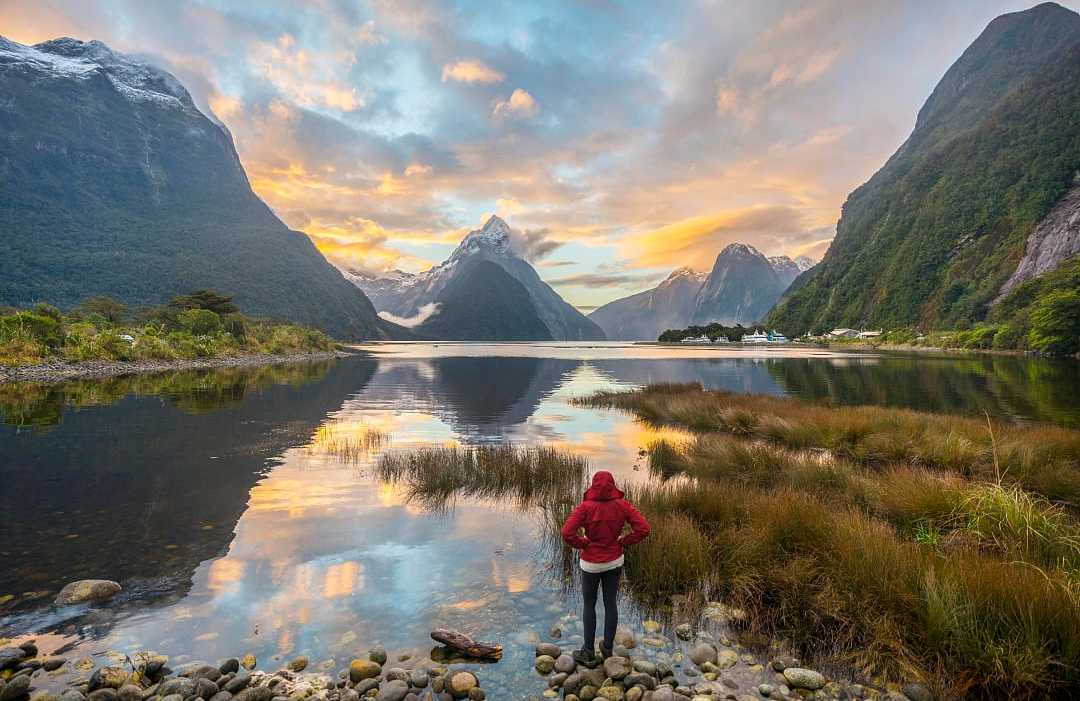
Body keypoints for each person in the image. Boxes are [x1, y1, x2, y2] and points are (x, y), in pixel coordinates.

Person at [560, 471, 651, 665]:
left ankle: (588, 651)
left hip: (590, 564)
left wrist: (583, 544)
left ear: (593, 486)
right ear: (612, 485)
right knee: (610, 604)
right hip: (614, 561)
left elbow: (566, 533)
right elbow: (644, 529)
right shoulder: (622, 505)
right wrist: (624, 542)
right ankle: (607, 649)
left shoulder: (585, 507)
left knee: (589, 605)